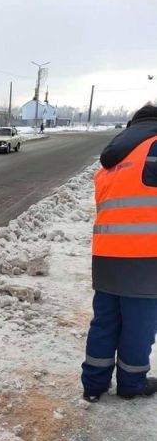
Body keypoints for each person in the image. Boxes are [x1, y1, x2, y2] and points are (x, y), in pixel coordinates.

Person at [81, 104, 157, 402]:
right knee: (138, 326)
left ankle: (93, 386)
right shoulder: (153, 149)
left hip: (106, 255)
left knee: (104, 323)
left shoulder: (113, 160)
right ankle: (131, 385)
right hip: (145, 258)